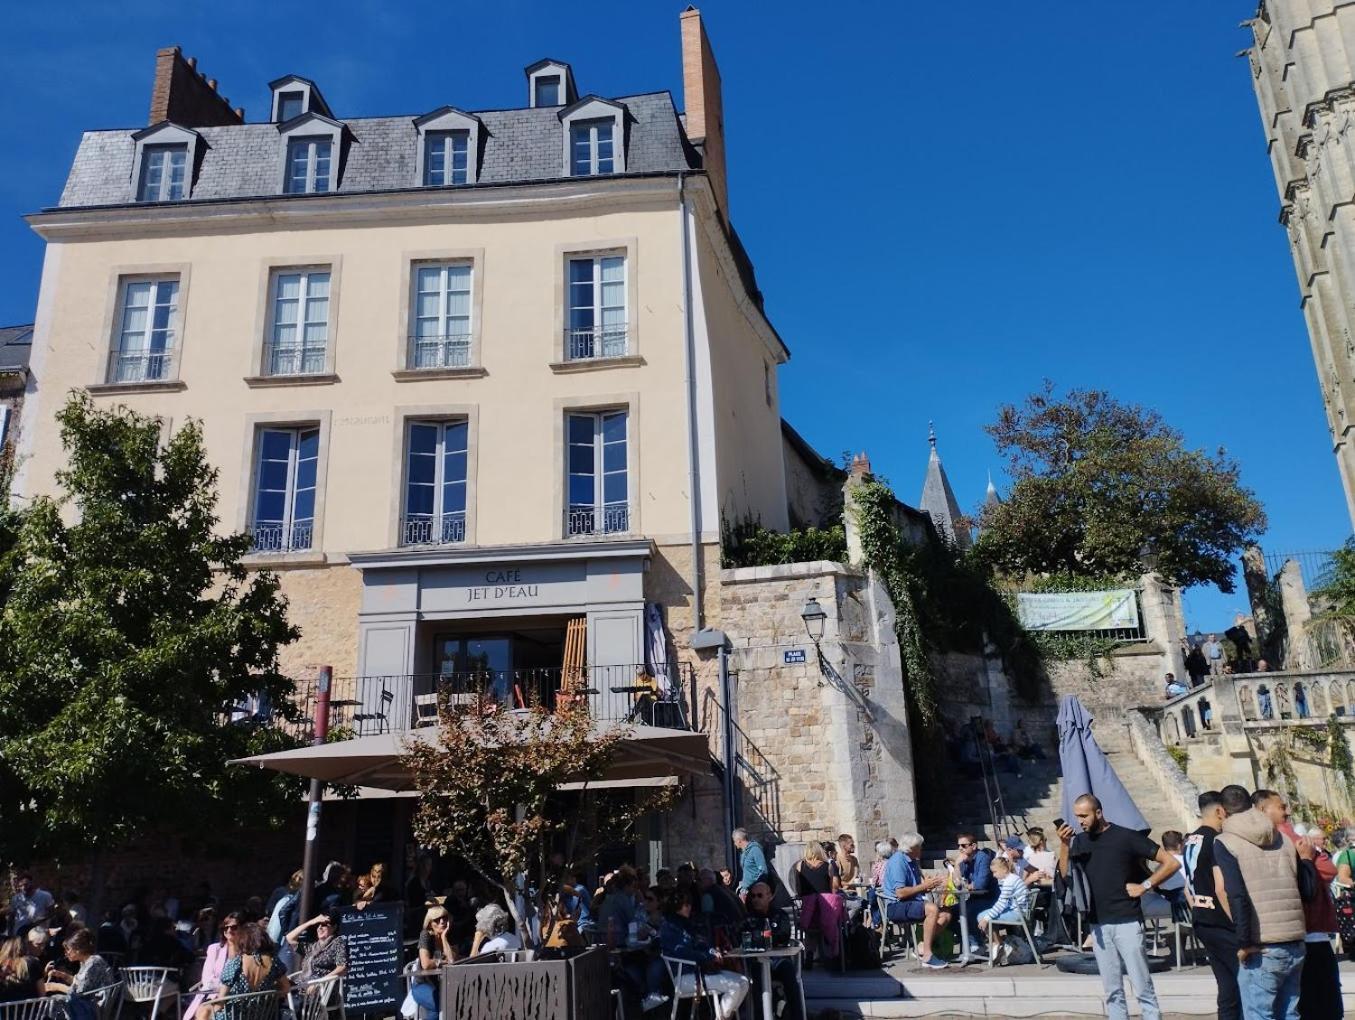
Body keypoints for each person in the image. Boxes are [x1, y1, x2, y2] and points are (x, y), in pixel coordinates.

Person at [1058, 793, 1179, 1020]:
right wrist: (1064, 845)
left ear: (1099, 813)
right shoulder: (1080, 841)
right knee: (1112, 990)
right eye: (1077, 816)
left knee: (1142, 986)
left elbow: (1171, 862)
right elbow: (1065, 876)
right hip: (1098, 924)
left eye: (1084, 815)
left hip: (1127, 920)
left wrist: (1145, 885)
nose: (1080, 821)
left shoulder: (1127, 837)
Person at [1211, 785, 1308, 1020]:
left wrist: (1244, 942)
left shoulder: (1225, 841)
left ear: (1221, 812)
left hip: (1261, 943)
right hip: (1294, 938)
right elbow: (1302, 887)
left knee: (1258, 1014)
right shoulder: (1283, 838)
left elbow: (1233, 893)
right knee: (1290, 1013)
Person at [1253, 789, 1340, 1020]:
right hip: (1304, 931)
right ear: (1263, 809)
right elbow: (1328, 869)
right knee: (1318, 1004)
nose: (1287, 811)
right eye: (1281, 807)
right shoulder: (1284, 836)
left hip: (1288, 932)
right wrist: (1309, 857)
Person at [1183, 791, 1239, 1020]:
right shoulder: (1216, 840)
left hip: (1201, 917)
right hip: (1220, 919)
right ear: (1219, 811)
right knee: (1243, 980)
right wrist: (1237, 923)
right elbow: (1221, 887)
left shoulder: (1190, 841)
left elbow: (1187, 886)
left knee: (1226, 985)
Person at [657, 888, 749, 1020]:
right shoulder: (670, 927)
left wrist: (712, 951)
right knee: (734, 986)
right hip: (684, 976)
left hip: (699, 972)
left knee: (743, 982)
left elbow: (700, 944)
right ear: (676, 906)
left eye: (690, 904)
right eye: (686, 905)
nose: (689, 907)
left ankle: (722, 1016)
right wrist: (708, 956)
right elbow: (683, 952)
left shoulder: (686, 924)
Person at [883, 833, 950, 969]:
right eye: (919, 847)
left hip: (911, 902)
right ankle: (927, 955)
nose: (921, 849)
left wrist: (931, 884)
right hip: (895, 906)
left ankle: (920, 946)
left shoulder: (912, 861)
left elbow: (915, 889)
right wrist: (925, 886)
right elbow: (901, 893)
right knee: (932, 909)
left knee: (946, 915)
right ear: (911, 848)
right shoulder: (898, 862)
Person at [742, 882, 804, 1020]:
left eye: (759, 895)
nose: (755, 899)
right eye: (753, 896)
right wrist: (767, 936)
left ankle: (796, 1016)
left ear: (769, 896)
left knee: (788, 971)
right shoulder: (748, 918)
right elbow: (744, 938)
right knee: (757, 978)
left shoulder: (780, 915)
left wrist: (760, 936)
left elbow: (784, 935)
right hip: (757, 961)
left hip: (778, 960)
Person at [210, 922, 290, 1015]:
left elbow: (221, 1000)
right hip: (265, 1015)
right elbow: (286, 988)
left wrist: (214, 1010)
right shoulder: (274, 961)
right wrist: (271, 994)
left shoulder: (236, 963)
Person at [792, 841, 843, 962]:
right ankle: (832, 951)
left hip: (808, 913)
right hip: (826, 912)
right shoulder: (828, 866)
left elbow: (798, 889)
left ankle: (810, 952)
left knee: (811, 924)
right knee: (833, 916)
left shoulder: (799, 866)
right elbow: (833, 889)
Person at [976, 856, 1030, 965]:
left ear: (1004, 870)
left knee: (982, 917)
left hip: (1017, 913)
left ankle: (998, 944)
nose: (993, 875)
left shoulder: (1009, 882)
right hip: (1017, 910)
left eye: (995, 872)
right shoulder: (1012, 878)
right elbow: (1004, 904)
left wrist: (986, 918)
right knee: (986, 915)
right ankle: (998, 943)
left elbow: (1001, 904)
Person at [188, 911, 240, 1020]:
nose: (229, 930)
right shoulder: (214, 949)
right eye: (226, 928)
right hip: (213, 994)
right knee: (205, 1011)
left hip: (238, 996)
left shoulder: (246, 952)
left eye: (234, 927)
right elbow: (207, 978)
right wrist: (223, 987)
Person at [411, 906, 456, 1020]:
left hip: (443, 984)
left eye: (444, 918)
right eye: (437, 919)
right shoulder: (425, 935)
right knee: (436, 1003)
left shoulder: (448, 934)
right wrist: (443, 961)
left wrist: (444, 938)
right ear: (430, 923)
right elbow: (425, 964)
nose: (442, 922)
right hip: (422, 985)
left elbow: (452, 961)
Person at [955, 832, 997, 951]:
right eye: (959, 846)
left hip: (989, 899)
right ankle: (970, 940)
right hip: (973, 899)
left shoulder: (983, 858)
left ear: (973, 846)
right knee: (947, 913)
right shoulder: (964, 861)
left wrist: (967, 885)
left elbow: (980, 885)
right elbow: (957, 884)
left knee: (967, 911)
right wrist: (957, 866)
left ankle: (977, 944)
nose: (960, 849)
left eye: (963, 846)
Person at [43, 927, 113, 997]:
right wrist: (63, 975)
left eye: (68, 949)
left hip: (94, 1003)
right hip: (88, 1000)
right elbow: (80, 983)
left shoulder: (94, 963)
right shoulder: (86, 961)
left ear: (78, 949)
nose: (65, 953)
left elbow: (79, 992)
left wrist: (57, 987)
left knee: (54, 999)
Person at [286, 912, 348, 983]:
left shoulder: (337, 943)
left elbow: (342, 967)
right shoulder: (313, 947)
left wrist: (320, 982)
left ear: (334, 927)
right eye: (318, 925)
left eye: (324, 924)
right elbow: (289, 938)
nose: (320, 928)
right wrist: (311, 922)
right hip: (303, 985)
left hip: (321, 989)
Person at [0, 936, 47, 1002]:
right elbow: (42, 994)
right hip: (31, 1011)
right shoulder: (33, 962)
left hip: (5, 1010)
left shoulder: (2, 963)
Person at [733, 828, 768, 900]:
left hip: (754, 892)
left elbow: (763, 871)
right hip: (745, 890)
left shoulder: (755, 850)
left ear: (739, 840)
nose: (734, 843)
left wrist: (756, 887)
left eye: (734, 841)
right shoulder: (744, 853)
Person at [1156, 832, 1187, 910]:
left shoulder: (1159, 866)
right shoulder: (1186, 861)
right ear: (1179, 846)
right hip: (1184, 897)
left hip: (1166, 899)